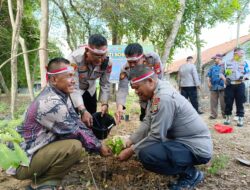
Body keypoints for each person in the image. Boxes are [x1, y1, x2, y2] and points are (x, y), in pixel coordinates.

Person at [12, 58, 111, 190]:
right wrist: (99, 147)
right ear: (54, 80)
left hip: (34, 152)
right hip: (21, 163)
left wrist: (96, 143)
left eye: (73, 76)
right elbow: (75, 131)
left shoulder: (61, 94)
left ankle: (43, 179)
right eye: (69, 76)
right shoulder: (50, 101)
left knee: (76, 143)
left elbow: (76, 121)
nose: (74, 80)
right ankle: (41, 183)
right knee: (74, 146)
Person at [118, 65, 212, 190]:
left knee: (147, 155)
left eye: (137, 88)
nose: (136, 92)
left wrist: (131, 150)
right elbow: (147, 122)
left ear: (150, 81)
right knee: (145, 147)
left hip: (195, 148)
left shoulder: (163, 98)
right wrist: (131, 141)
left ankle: (191, 174)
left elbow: (157, 136)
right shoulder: (156, 92)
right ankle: (183, 166)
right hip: (181, 142)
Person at [67, 34, 113, 127]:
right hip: (76, 90)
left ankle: (90, 139)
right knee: (74, 118)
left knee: (91, 118)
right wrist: (82, 110)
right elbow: (73, 86)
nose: (100, 61)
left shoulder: (107, 62)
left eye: (102, 56)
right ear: (87, 51)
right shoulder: (74, 59)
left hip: (91, 90)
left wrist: (104, 103)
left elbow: (105, 84)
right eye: (97, 56)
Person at [116, 43, 163, 123]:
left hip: (157, 95)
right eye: (130, 62)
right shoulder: (125, 69)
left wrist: (157, 97)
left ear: (142, 56)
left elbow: (160, 78)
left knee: (158, 120)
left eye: (135, 61)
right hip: (144, 99)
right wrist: (120, 106)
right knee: (145, 120)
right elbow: (122, 88)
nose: (132, 65)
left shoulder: (152, 58)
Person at [220, 47, 250, 127]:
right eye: (242, 53)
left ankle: (240, 118)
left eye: (243, 53)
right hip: (229, 85)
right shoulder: (226, 63)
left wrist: (244, 77)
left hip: (240, 85)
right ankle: (227, 117)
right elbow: (221, 73)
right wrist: (225, 79)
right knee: (228, 102)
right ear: (236, 53)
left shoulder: (244, 63)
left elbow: (248, 73)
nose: (243, 55)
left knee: (240, 102)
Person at [207, 54, 225, 119]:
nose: (214, 60)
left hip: (222, 86)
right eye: (214, 59)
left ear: (220, 58)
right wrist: (208, 82)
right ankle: (213, 115)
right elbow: (208, 76)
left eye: (215, 58)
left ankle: (225, 114)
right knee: (213, 102)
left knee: (223, 101)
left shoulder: (225, 66)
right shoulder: (212, 67)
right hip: (213, 86)